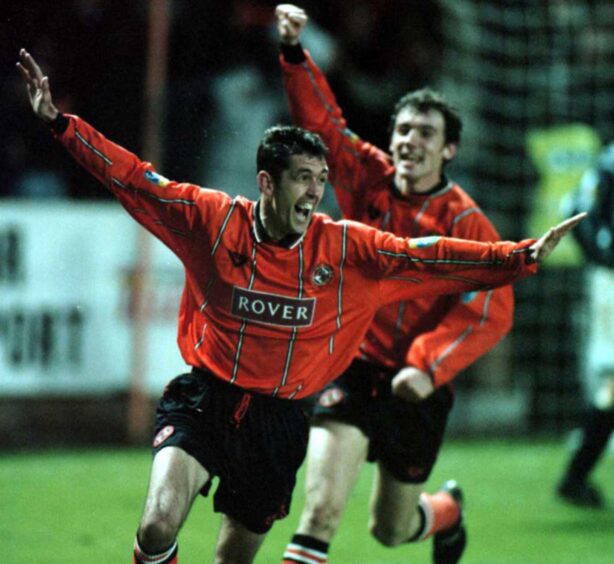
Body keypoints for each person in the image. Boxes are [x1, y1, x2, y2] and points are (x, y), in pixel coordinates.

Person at [17, 49, 582, 564]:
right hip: (207, 399)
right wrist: (59, 124)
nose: (314, 193)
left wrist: (518, 257)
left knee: (354, 534)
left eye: (320, 181)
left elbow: (429, 258)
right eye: (302, 180)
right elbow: (136, 180)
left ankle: (443, 514)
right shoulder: (211, 221)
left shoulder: (347, 247)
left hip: (292, 418)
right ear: (267, 182)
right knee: (160, 525)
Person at [275, 4, 514, 563]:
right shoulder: (369, 177)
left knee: (391, 529)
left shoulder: (468, 224)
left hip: (417, 387)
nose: (410, 140)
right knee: (319, 512)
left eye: (426, 133)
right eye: (403, 129)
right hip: (354, 367)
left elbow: (488, 310)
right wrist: (293, 53)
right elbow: (324, 128)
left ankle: (445, 514)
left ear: (448, 149)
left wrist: (427, 364)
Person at [556, 143, 614, 508]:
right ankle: (576, 475)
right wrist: (605, 258)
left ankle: (576, 476)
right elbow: (577, 211)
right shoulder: (610, 162)